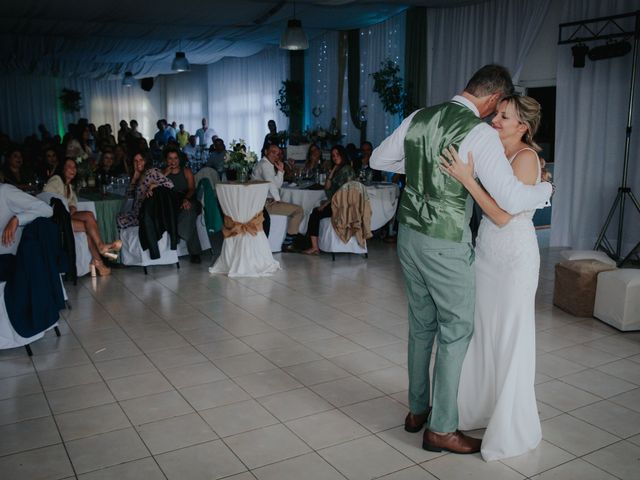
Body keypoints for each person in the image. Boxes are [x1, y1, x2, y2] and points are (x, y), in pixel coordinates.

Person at [370, 64, 552, 454]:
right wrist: (545, 191)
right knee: (456, 331)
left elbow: (378, 161)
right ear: (490, 100)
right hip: (445, 241)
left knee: (421, 326)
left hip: (408, 236)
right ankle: (442, 429)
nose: (495, 117)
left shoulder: (420, 115)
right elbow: (514, 200)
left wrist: (421, 163)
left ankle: (417, 410)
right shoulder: (478, 132)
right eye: (497, 110)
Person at [439, 95, 545, 461]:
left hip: (514, 259)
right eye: (497, 113)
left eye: (505, 116)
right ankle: (478, 408)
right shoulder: (495, 153)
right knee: (482, 332)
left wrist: (468, 179)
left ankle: (509, 423)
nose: (495, 120)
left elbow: (502, 216)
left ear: (523, 127)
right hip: (487, 253)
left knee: (510, 336)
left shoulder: (527, 158)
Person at [43, 158, 121, 276]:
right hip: (55, 219)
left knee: (89, 216)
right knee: (89, 227)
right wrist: (65, 208)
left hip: (65, 217)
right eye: (69, 166)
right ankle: (99, 259)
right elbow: (46, 195)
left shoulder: (68, 186)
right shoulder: (56, 180)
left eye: (74, 167)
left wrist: (72, 208)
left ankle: (100, 253)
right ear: (62, 168)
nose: (73, 169)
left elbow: (73, 203)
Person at [303, 145, 355, 255]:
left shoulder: (347, 170)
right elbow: (327, 187)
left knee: (316, 213)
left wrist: (326, 204)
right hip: (337, 203)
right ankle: (314, 246)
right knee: (316, 211)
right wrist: (333, 170)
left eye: (337, 155)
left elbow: (343, 192)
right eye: (333, 156)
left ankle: (314, 247)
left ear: (342, 155)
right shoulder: (339, 169)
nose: (335, 157)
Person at [251, 144, 304, 251]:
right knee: (299, 210)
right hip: (265, 204)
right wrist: (278, 201)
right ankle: (288, 243)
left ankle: (289, 241)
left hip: (265, 201)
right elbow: (271, 185)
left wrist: (280, 171)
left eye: (278, 153)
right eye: (272, 152)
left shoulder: (267, 164)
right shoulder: (265, 165)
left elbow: (277, 185)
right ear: (266, 152)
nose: (276, 155)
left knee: (296, 208)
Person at [163, 146, 202, 263]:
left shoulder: (186, 171)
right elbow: (156, 187)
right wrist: (165, 174)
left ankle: (179, 235)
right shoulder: (162, 173)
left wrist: (185, 199)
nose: (173, 161)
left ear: (179, 159)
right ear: (166, 160)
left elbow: (191, 189)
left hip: (188, 198)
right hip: (171, 203)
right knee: (188, 217)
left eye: (175, 158)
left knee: (188, 211)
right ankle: (195, 252)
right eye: (170, 158)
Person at [117, 151, 174, 229]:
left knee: (120, 221)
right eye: (136, 161)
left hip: (146, 213)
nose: (138, 163)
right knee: (116, 217)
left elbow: (170, 184)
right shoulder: (138, 176)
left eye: (141, 160)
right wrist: (134, 178)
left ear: (146, 161)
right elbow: (129, 196)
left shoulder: (151, 172)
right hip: (136, 212)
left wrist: (154, 186)